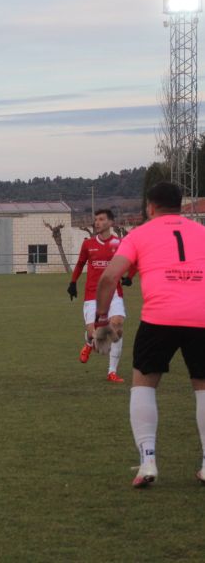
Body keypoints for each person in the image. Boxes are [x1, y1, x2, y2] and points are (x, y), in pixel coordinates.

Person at [95, 182, 205, 488]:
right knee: (203, 388)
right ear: (181, 206)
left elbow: (108, 277)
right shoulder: (201, 231)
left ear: (150, 207)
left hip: (160, 318)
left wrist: (102, 320)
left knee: (143, 384)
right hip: (202, 317)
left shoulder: (139, 234)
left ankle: (148, 462)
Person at [68, 209, 131, 383]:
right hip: (92, 294)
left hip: (114, 293)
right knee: (97, 336)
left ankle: (112, 372)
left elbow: (134, 261)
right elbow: (80, 264)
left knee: (117, 326)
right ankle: (89, 342)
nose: (97, 222)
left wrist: (129, 277)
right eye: (95, 219)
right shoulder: (88, 244)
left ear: (111, 223)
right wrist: (73, 283)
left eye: (101, 219)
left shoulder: (120, 243)